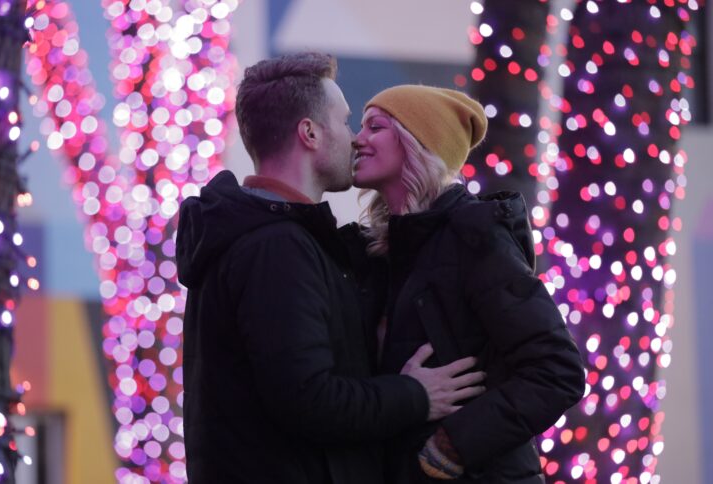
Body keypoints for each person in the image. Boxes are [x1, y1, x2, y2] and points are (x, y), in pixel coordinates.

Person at [176, 54, 485, 484]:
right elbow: (309, 399)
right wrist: (414, 395)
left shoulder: (278, 237)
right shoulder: (275, 248)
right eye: (345, 122)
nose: (356, 139)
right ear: (310, 133)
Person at [352, 85, 586, 483]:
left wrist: (451, 445)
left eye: (375, 127)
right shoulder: (388, 250)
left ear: (416, 142)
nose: (358, 140)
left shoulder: (474, 237)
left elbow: (558, 370)